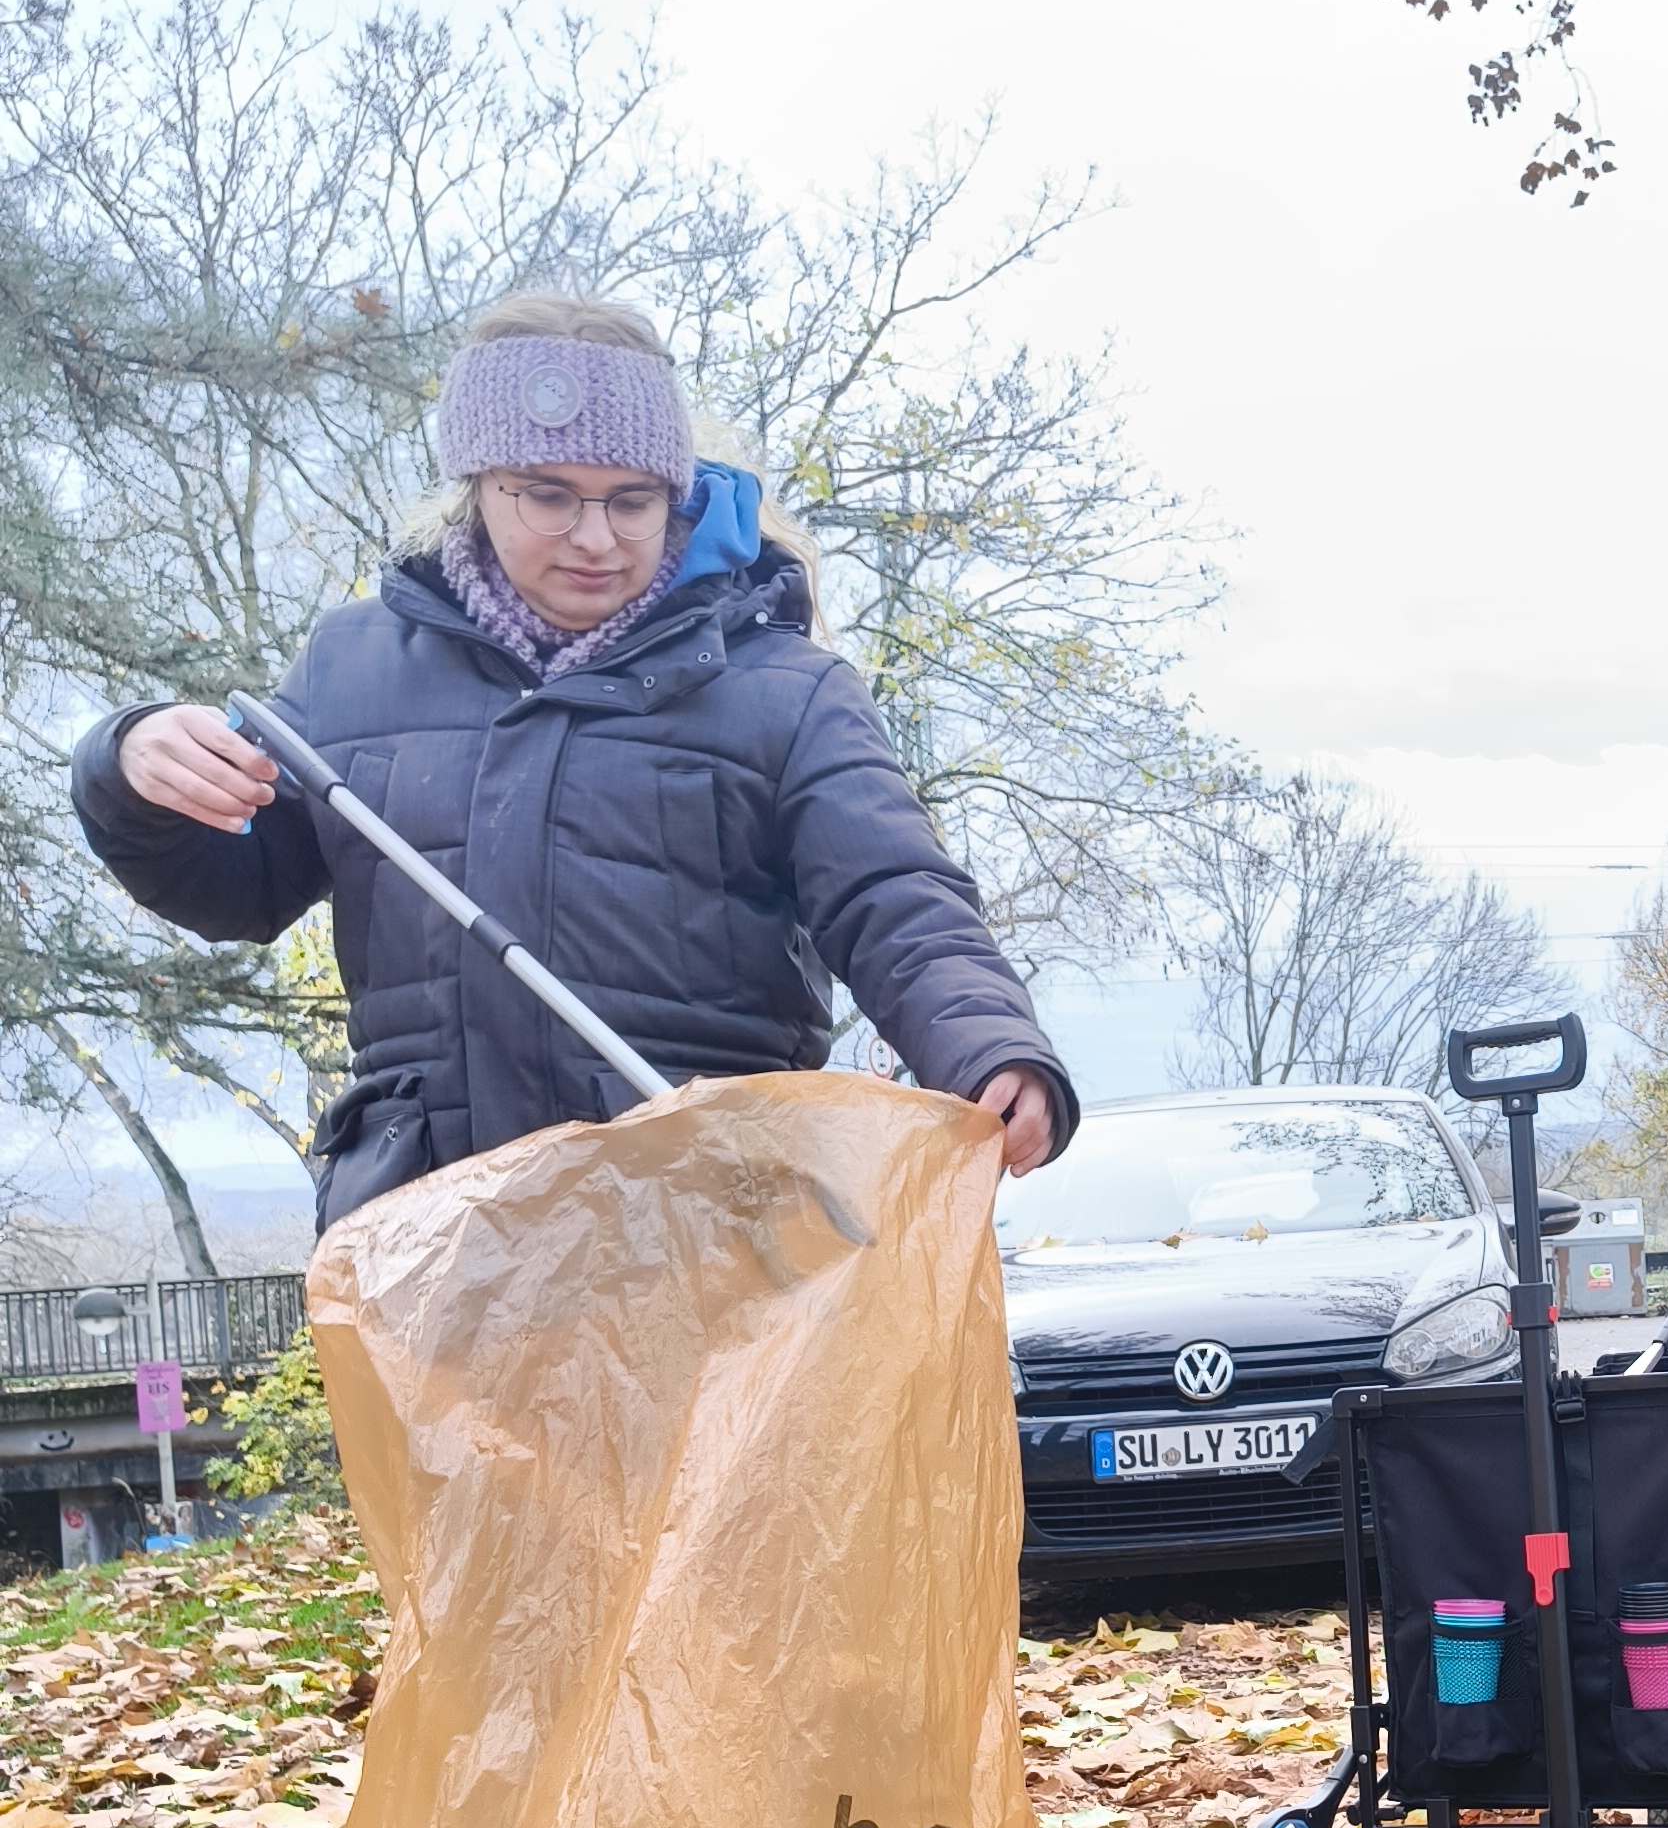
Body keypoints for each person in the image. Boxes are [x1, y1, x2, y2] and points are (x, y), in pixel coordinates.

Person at [72, 294, 1078, 1229]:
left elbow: (897, 898)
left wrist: (990, 1046)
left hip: (706, 1236)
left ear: (675, 492)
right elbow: (239, 891)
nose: (595, 537)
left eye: (632, 500)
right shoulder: (349, 666)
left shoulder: (787, 689)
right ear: (478, 485)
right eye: (548, 495)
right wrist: (131, 771)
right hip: (433, 1242)